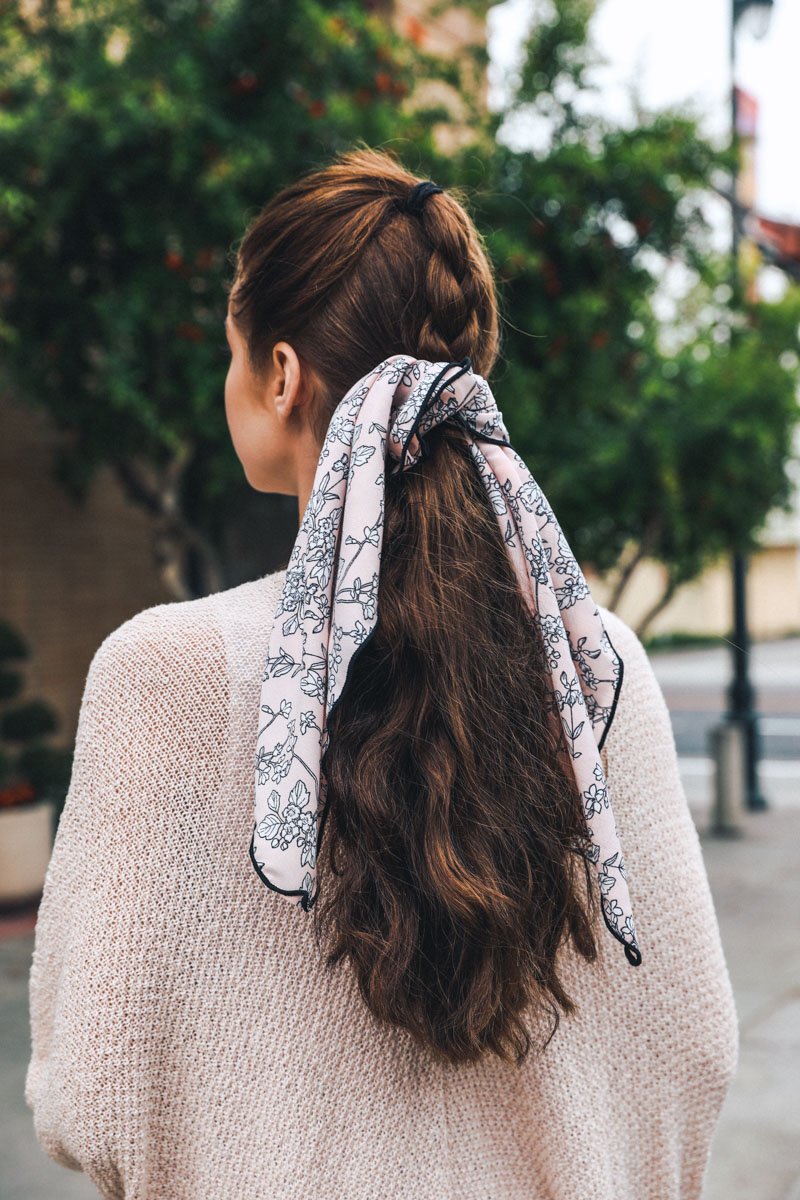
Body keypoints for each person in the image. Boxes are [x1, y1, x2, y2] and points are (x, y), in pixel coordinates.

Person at [26, 146, 739, 1200]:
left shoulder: (166, 674)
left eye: (229, 348)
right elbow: (690, 1046)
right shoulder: (591, 658)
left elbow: (93, 1089)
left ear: (278, 375)